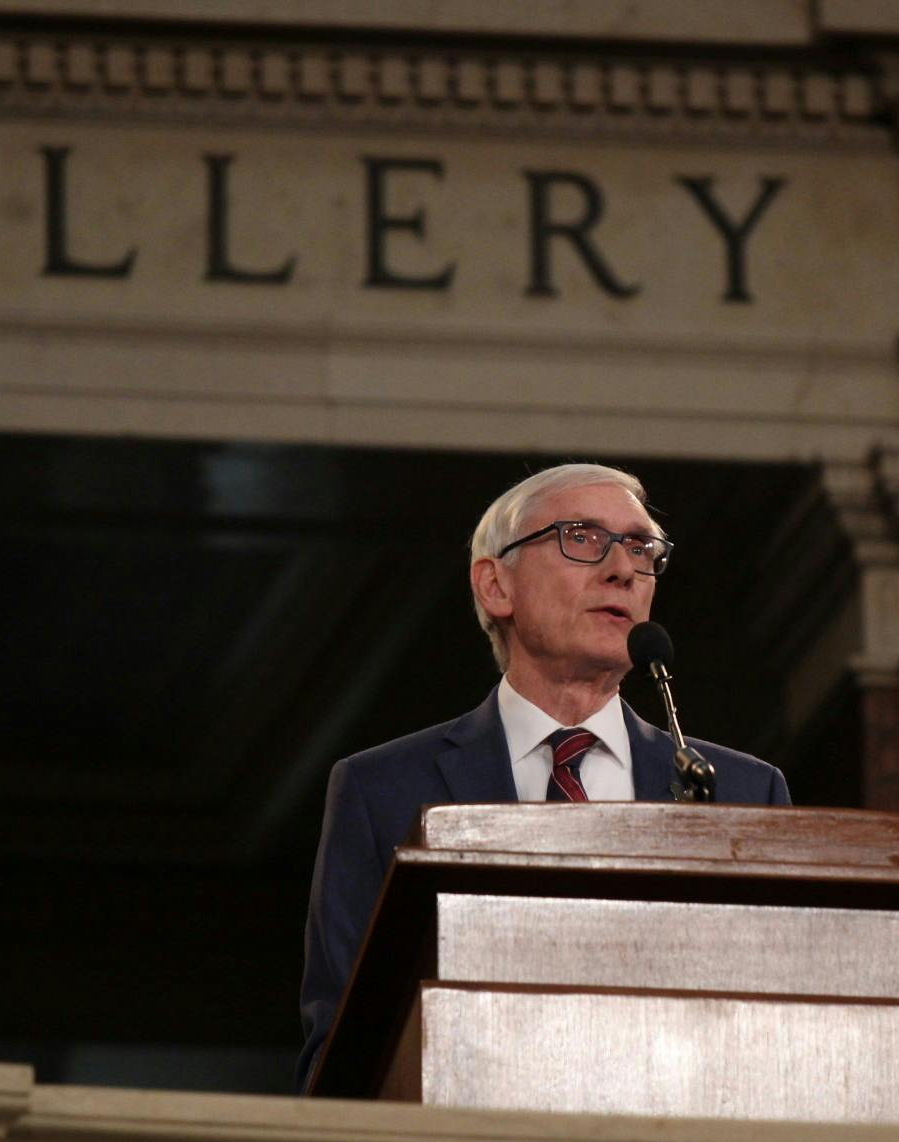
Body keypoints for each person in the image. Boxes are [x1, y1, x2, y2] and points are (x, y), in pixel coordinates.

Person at [295, 462, 790, 1090]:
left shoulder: (744, 792)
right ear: (495, 586)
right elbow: (340, 1058)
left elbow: (772, 1039)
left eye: (641, 548)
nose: (623, 569)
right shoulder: (382, 790)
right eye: (581, 537)